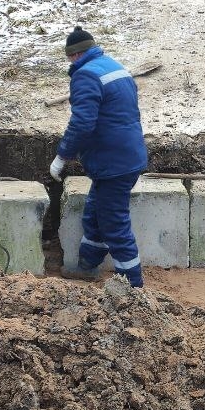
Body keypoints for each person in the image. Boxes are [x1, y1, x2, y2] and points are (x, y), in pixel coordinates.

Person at [50, 26, 148, 288]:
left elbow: (82, 123)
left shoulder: (86, 76)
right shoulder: (113, 66)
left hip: (113, 162)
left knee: (114, 225)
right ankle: (87, 266)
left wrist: (62, 156)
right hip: (124, 156)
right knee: (94, 212)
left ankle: (134, 290)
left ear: (74, 55)